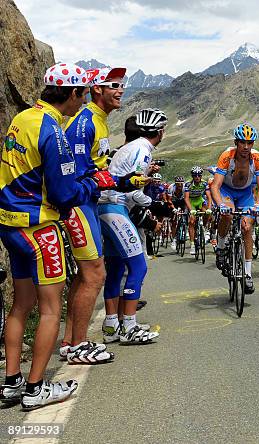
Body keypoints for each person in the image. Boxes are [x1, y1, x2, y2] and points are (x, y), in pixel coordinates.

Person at [0, 63, 112, 409]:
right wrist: (96, 182)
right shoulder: (54, 131)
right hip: (40, 227)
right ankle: (36, 389)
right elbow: (65, 195)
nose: (82, 104)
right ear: (75, 93)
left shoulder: (23, 118)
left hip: (9, 223)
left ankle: (11, 382)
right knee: (50, 310)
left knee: (21, 305)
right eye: (82, 95)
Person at [59, 66, 126, 364]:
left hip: (87, 203)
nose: (120, 89)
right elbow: (71, 172)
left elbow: (96, 166)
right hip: (78, 204)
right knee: (95, 274)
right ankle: (79, 346)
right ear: (96, 89)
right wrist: (98, 180)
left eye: (121, 84)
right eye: (113, 84)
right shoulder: (85, 122)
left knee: (84, 275)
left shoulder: (99, 121)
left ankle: (70, 341)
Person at [98, 108, 167, 344]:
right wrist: (155, 204)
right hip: (115, 207)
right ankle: (129, 326)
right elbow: (134, 189)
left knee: (116, 268)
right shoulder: (142, 150)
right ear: (159, 131)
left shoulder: (131, 146)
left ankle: (111, 327)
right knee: (138, 267)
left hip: (106, 208)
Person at [210, 124, 259, 294]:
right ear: (236, 142)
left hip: (246, 194)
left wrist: (258, 206)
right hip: (227, 191)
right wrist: (220, 204)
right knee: (227, 215)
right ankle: (220, 246)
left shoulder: (258, 159)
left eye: (250, 142)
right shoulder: (227, 156)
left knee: (247, 227)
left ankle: (248, 274)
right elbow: (215, 186)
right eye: (242, 142)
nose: (246, 146)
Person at [185, 166, 210, 255]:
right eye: (195, 175)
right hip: (191, 201)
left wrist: (209, 208)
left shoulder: (204, 183)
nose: (197, 177)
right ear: (192, 176)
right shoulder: (188, 184)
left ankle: (204, 228)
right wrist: (191, 210)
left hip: (199, 200)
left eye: (199, 175)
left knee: (207, 212)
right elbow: (186, 198)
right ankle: (192, 244)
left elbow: (209, 197)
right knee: (192, 221)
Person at [167, 176, 186, 251]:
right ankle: (174, 239)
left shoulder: (185, 188)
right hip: (173, 202)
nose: (180, 185)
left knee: (186, 215)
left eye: (181, 184)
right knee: (174, 221)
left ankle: (184, 229)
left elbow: (187, 199)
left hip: (182, 201)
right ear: (175, 183)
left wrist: (186, 210)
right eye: (178, 184)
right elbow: (169, 200)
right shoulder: (171, 187)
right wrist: (173, 209)